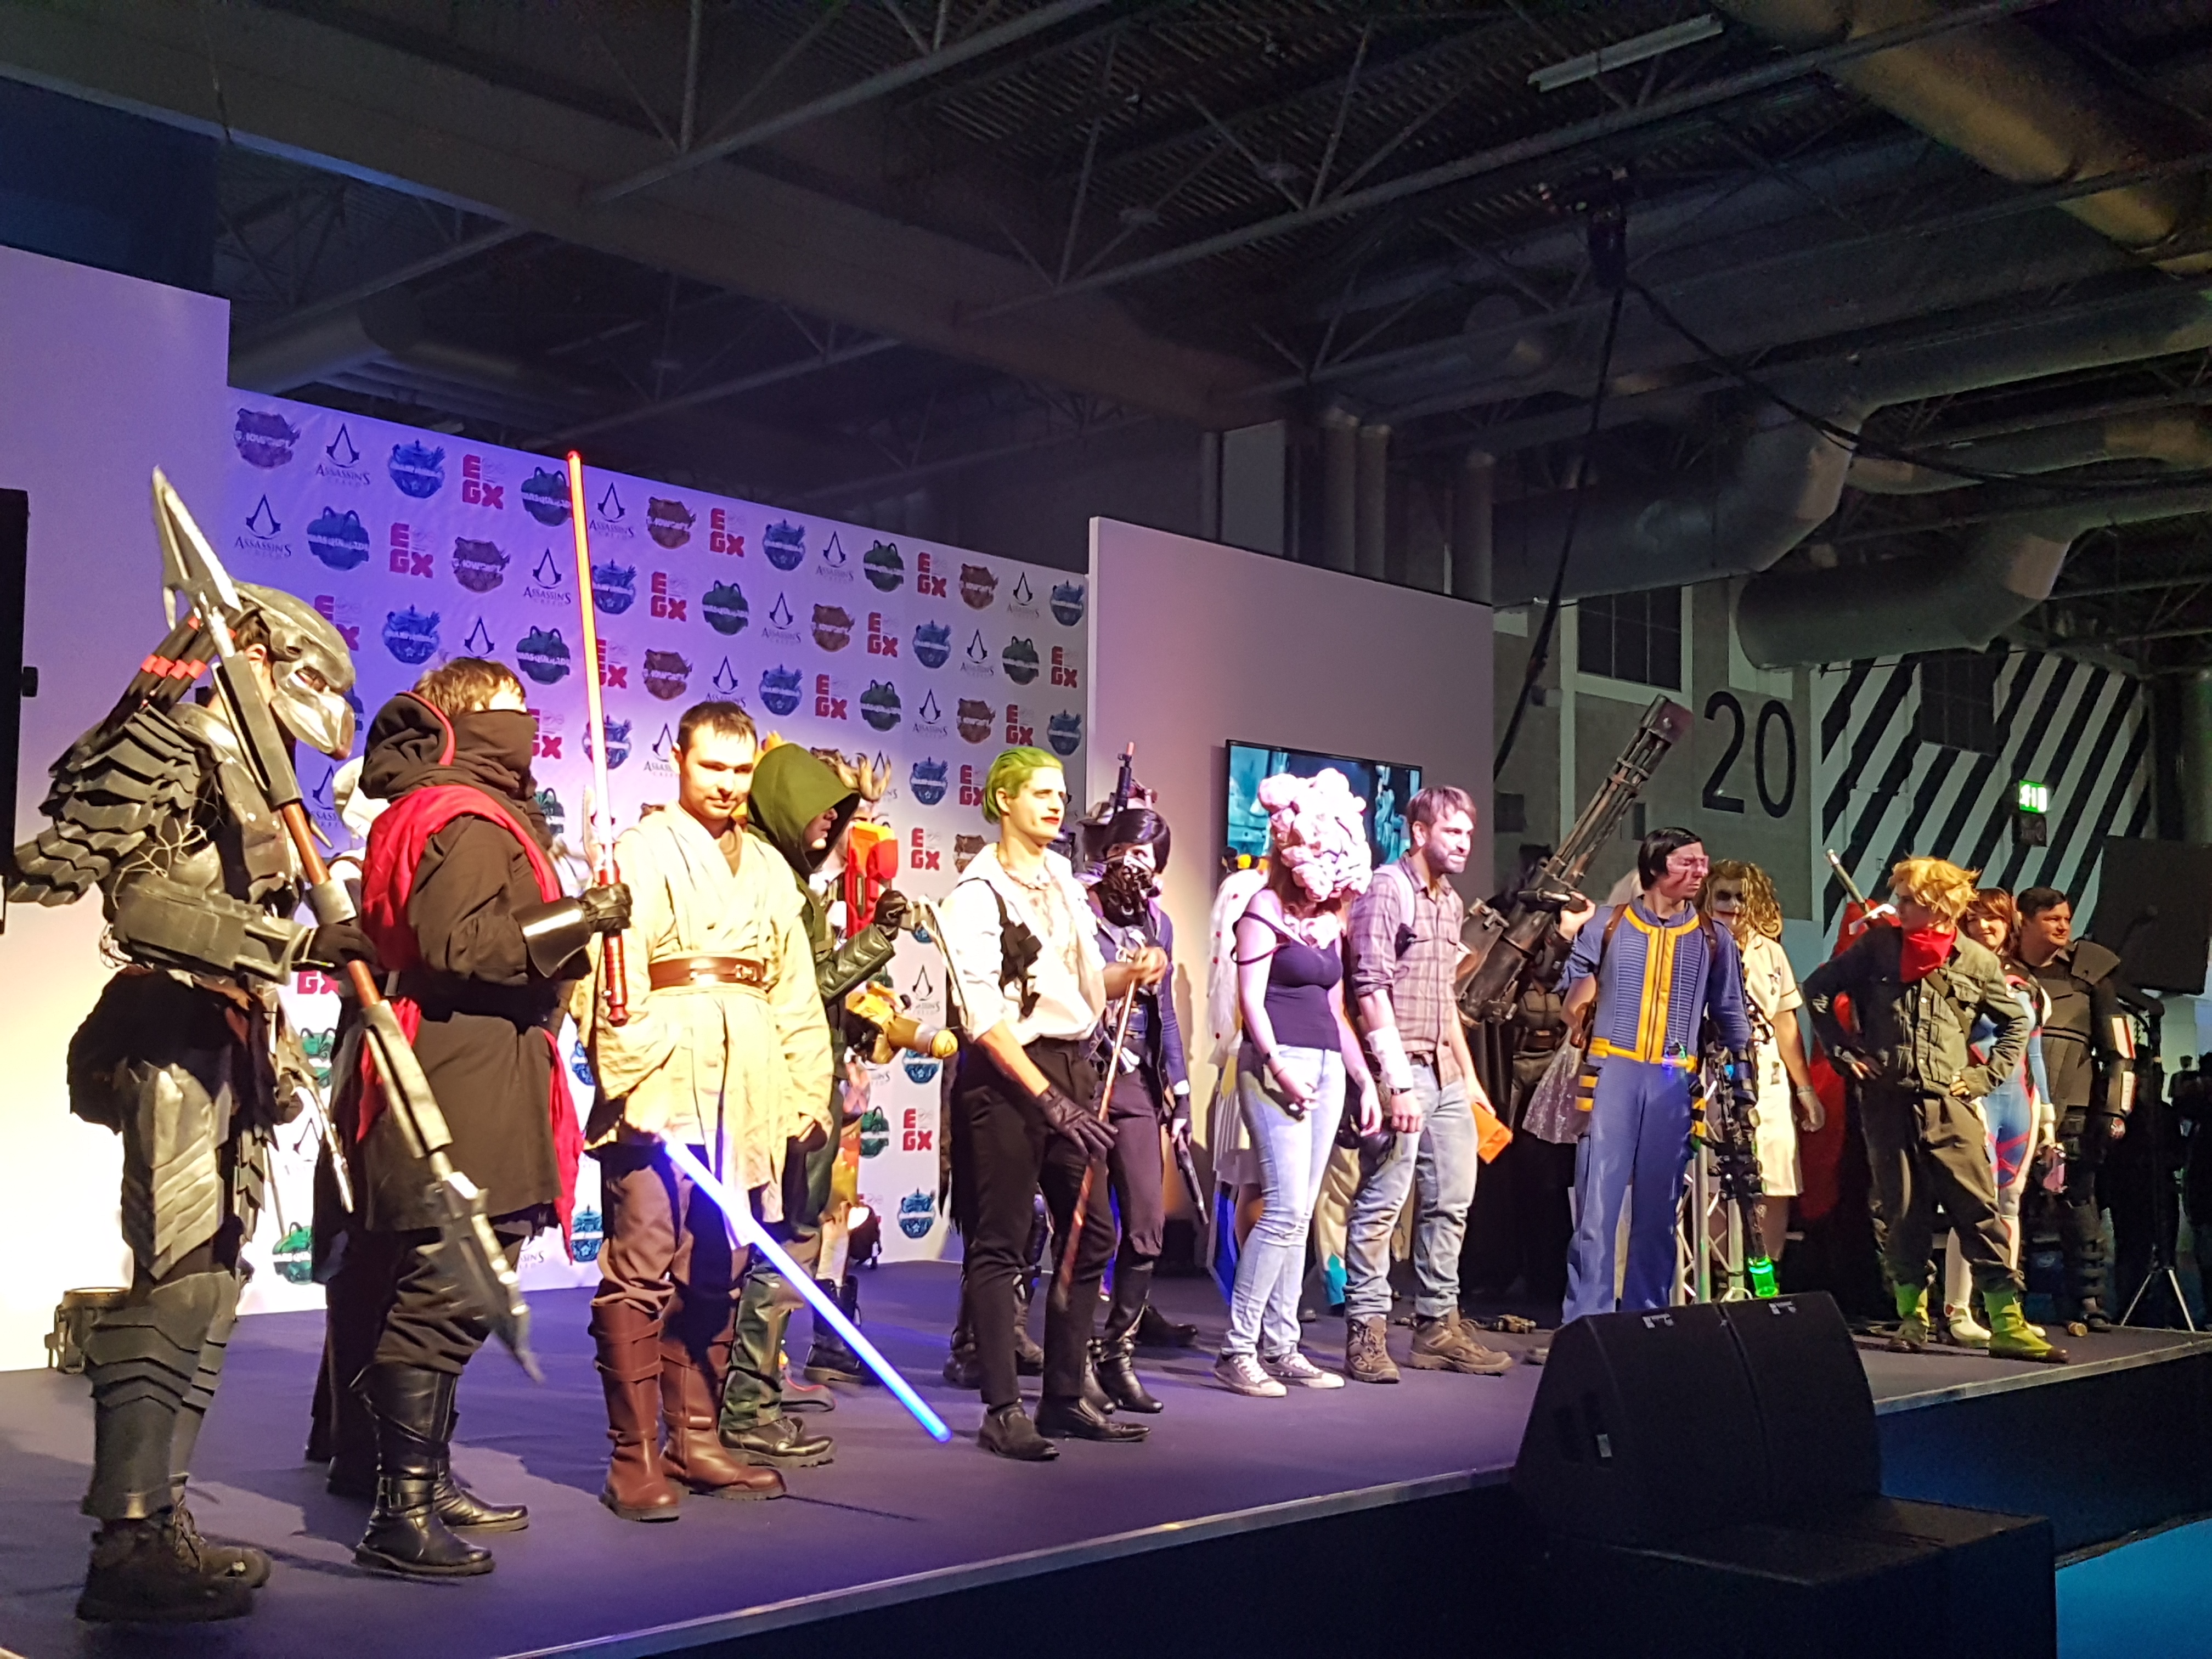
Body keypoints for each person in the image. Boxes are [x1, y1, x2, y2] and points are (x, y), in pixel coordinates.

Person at [13, 580, 359, 1623]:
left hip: (231, 1034)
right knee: (171, 1282)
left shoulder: (260, 764)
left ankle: (159, 1519)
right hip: (169, 1030)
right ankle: (125, 1548)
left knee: (209, 1284)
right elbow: (142, 900)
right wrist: (296, 945)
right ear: (255, 654)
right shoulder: (178, 742)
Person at [345, 659, 631, 1575]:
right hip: (461, 1062)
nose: (527, 725)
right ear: (467, 719)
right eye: (511, 710)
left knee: (453, 1272)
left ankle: (421, 1478)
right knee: (453, 1277)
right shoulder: (461, 815)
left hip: (471, 1055)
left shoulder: (454, 807)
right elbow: (460, 944)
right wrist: (578, 917)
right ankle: (400, 1511)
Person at [582, 702, 832, 1519]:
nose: (726, 785)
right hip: (666, 1076)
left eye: (739, 770)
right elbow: (614, 975)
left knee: (716, 1271)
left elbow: (794, 991)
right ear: (680, 762)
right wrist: (634, 1080)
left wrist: (806, 1091)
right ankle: (634, 1458)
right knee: (643, 1266)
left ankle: (695, 1439)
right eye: (711, 767)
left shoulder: (768, 869)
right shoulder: (641, 850)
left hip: (748, 1082)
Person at [939, 747, 1166, 1457]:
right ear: (1003, 800)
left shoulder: (1064, 880)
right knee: (1002, 1242)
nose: (1055, 804)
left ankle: (1065, 1397)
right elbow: (983, 1018)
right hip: (1007, 1076)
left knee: (1092, 1233)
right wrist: (1047, 1099)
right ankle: (1002, 1409)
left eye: (1060, 794)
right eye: (1040, 793)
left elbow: (1078, 987)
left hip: (1072, 1065)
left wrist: (1134, 969)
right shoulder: (974, 895)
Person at [717, 738, 911, 1462]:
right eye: (821, 810)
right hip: (789, 1085)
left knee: (787, 1245)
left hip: (800, 1075)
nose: (831, 824)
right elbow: (807, 984)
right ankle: (748, 1408)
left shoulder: (784, 877)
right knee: (786, 1243)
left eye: (839, 812)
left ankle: (751, 1400)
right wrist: (879, 939)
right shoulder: (779, 883)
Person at [1803, 858, 2061, 1362]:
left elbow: (2017, 1023)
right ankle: (1912, 1317)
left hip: (1949, 1102)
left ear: (1940, 905)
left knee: (1979, 1210)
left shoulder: (1976, 961)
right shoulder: (1878, 947)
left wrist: (1984, 1077)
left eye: (1909, 900)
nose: (1899, 907)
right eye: (1899, 898)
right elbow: (1818, 990)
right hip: (1886, 1101)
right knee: (1902, 1213)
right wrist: (1843, 1051)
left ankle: (2007, 1322)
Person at [1216, 769, 1379, 1397]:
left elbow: (1336, 1010)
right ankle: (1238, 1348)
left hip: (1326, 1064)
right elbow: (1250, 1000)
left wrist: (1363, 1078)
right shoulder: (1262, 908)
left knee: (1302, 1212)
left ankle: (1282, 1345)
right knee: (1282, 1208)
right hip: (1277, 1062)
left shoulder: (1329, 921)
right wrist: (1278, 1066)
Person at [1341, 785, 1511, 1383]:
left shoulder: (1449, 901)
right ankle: (1366, 1330)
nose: (1464, 843)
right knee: (1384, 1201)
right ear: (1419, 833)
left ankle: (1438, 1326)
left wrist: (1469, 1079)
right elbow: (1369, 988)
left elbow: (1444, 998)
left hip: (1443, 1069)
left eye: (1468, 833)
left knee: (1452, 1201)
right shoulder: (1387, 890)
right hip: (1402, 1067)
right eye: (1452, 832)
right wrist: (1396, 1082)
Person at [1558, 829, 1752, 1324]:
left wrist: (1742, 1085)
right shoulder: (1607, 924)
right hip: (1611, 1074)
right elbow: (1569, 993)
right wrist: (1578, 1002)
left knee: (1659, 1213)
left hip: (1673, 1079)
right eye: (1687, 862)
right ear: (1654, 867)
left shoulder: (1713, 937)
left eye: (1702, 862)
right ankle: (1586, 1322)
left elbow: (1732, 1016)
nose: (1700, 872)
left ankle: (1648, 1321)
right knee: (1596, 1213)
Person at [1083, 806, 1194, 1412]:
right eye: (1123, 851)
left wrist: (1180, 1087)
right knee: (1089, 1229)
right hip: (1086, 1078)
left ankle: (1117, 1350)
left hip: (1138, 1086)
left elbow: (1165, 1012)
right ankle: (1075, 1357)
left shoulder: (1159, 924)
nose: (1132, 864)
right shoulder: (1080, 907)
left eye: (1145, 857)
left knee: (1148, 1222)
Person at [2013, 887, 2145, 1335]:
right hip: (2011, 1110)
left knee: (2079, 1204)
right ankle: (2006, 1299)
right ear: (2025, 920)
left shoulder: (2091, 974)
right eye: (2052, 919)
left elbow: (2120, 1051)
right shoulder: (1998, 970)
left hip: (2075, 1113)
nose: (2063, 926)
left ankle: (2088, 1299)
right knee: (2010, 1207)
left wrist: (2114, 1111)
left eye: (2066, 918)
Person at [1702, 861, 1826, 1273]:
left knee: (1775, 1179)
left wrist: (1804, 1089)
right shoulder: (1694, 944)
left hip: (1767, 1078)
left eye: (1741, 897)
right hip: (1712, 1074)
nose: (1733, 905)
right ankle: (1725, 1274)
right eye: (1723, 896)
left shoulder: (1770, 951)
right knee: (1716, 1180)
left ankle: (1766, 1277)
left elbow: (1786, 1024)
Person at [1950, 889, 2055, 1346]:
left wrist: (2047, 1113)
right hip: (1975, 1098)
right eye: (1975, 919)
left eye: (1993, 918)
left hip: (2021, 1103)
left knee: (2009, 1204)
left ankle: (2005, 1313)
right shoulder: (1952, 973)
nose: (1984, 926)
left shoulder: (2027, 984)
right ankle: (1958, 1310)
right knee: (1972, 1206)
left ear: (2008, 924)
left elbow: (2035, 1050)